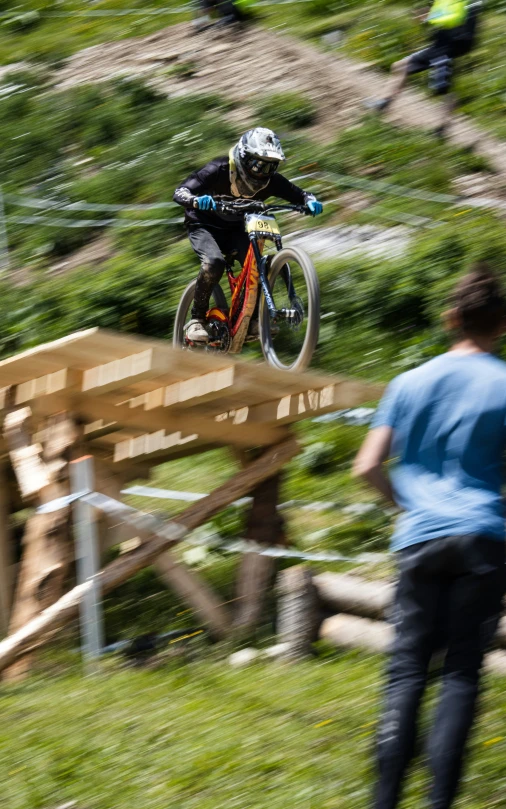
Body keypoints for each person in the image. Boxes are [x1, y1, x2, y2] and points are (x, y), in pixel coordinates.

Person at [353, 266, 506, 809]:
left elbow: (366, 466)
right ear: (500, 326)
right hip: (484, 538)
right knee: (461, 673)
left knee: (406, 672)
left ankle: (384, 800)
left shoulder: (408, 382)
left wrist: (408, 506)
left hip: (418, 539)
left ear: (451, 318)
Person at [173, 127, 323, 344]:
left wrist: (310, 202)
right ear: (244, 157)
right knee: (214, 263)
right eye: (258, 164)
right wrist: (195, 200)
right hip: (204, 224)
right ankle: (196, 320)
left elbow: (301, 194)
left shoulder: (272, 181)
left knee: (258, 265)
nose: (263, 172)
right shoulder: (219, 169)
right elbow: (180, 191)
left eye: (270, 166)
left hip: (236, 228)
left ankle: (253, 320)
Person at [368, 0, 481, 138]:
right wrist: (429, 15)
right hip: (444, 43)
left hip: (451, 44)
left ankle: (442, 128)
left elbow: (455, 18)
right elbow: (447, 13)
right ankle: (384, 103)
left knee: (442, 88)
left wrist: (430, 17)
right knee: (400, 66)